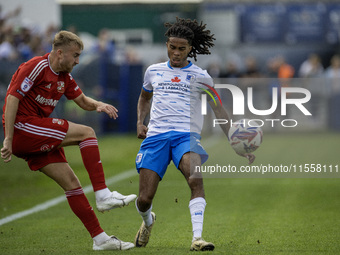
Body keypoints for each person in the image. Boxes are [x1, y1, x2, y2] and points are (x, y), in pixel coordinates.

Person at [1, 30, 136, 251]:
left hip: (34, 134)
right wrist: (8, 138)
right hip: (22, 129)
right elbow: (12, 98)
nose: (78, 61)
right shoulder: (36, 67)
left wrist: (98, 104)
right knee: (87, 133)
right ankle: (102, 194)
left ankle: (100, 239)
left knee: (72, 184)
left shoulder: (64, 76)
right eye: (75, 55)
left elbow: (82, 100)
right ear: (60, 53)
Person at [134, 18, 255, 251]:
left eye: (181, 48)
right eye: (172, 47)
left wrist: (236, 141)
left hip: (186, 136)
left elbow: (218, 107)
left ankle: (197, 238)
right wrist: (140, 122)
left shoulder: (202, 76)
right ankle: (148, 221)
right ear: (166, 45)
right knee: (144, 198)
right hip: (156, 137)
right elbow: (144, 98)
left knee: (195, 180)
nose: (176, 53)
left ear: (191, 48)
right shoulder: (153, 71)